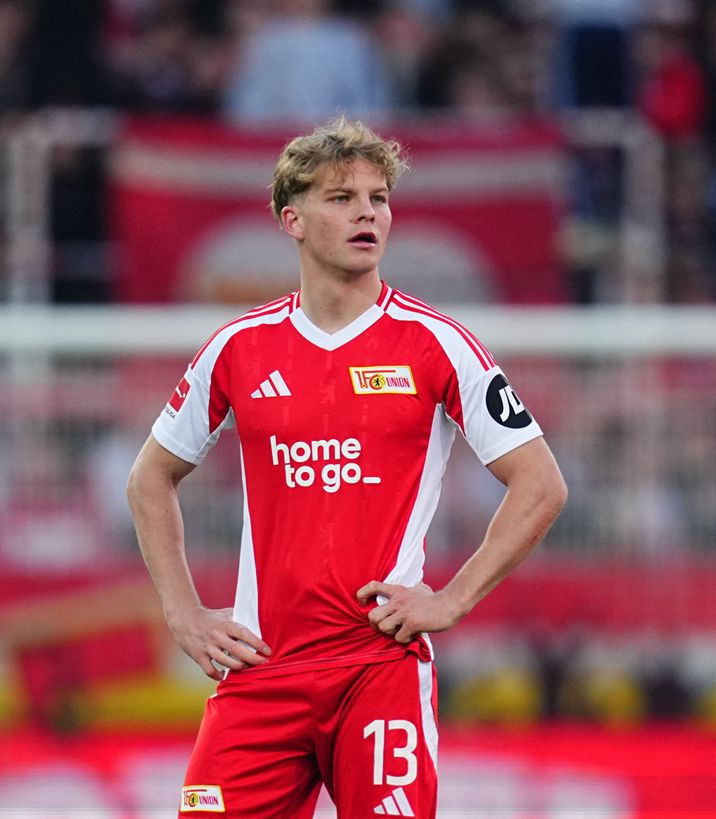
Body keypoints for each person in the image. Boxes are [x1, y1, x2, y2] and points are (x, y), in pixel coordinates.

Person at [126, 117, 567, 818]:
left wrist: (450, 599)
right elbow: (149, 477)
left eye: (379, 196)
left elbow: (540, 482)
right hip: (260, 671)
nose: (368, 211)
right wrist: (182, 613)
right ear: (291, 218)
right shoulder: (238, 348)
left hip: (376, 666)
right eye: (342, 197)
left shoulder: (437, 344)